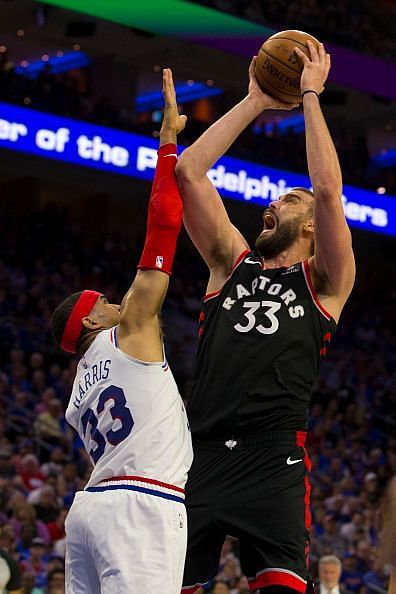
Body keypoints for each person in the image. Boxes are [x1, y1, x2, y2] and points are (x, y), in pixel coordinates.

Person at [176, 42, 355, 594]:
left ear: (308, 229)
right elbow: (188, 171)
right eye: (275, 198)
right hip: (197, 454)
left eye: (288, 200)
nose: (273, 203)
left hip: (273, 457)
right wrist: (255, 100)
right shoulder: (230, 262)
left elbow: (327, 191)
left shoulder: (325, 282)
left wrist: (308, 95)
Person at [50, 69, 193, 594]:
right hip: (141, 505)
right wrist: (168, 146)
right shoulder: (127, 331)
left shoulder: (77, 390)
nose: (117, 302)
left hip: (90, 511)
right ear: (90, 320)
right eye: (105, 302)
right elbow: (162, 227)